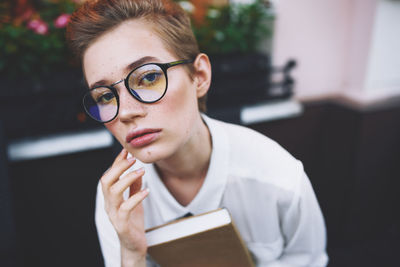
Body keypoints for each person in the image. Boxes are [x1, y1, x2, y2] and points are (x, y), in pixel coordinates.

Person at [66, 0, 328, 266]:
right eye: (104, 96)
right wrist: (132, 254)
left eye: (147, 78)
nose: (124, 113)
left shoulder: (278, 178)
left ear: (199, 75)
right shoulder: (119, 198)